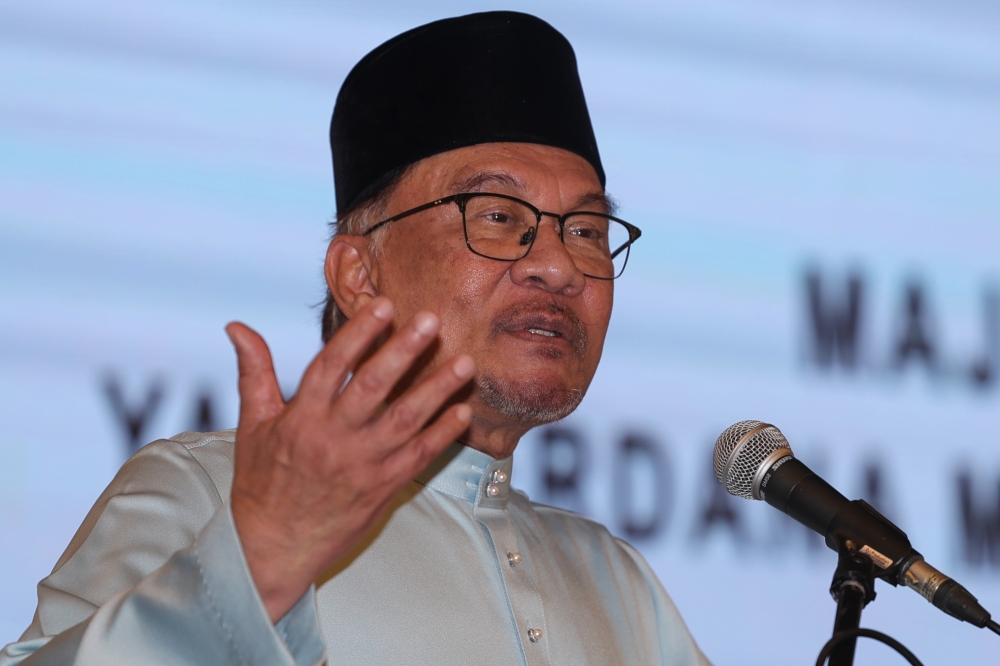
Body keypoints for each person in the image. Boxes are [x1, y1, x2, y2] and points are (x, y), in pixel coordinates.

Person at [2, 11, 710, 666]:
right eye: (496, 215)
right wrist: (255, 565)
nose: (558, 266)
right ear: (359, 273)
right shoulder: (210, 494)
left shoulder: (618, 583)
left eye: (585, 230)